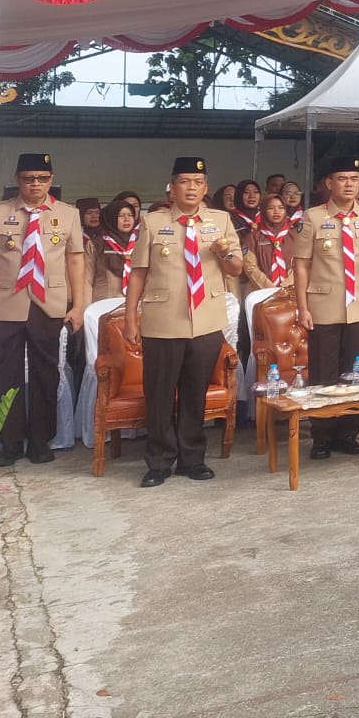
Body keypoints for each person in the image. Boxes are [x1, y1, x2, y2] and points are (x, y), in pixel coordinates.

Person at [124, 156, 243, 487]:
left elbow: (236, 268)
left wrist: (223, 252)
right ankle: (159, 461)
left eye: (198, 183)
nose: (192, 188)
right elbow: (138, 273)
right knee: (160, 393)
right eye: (185, 182)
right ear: (172, 188)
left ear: (206, 188)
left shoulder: (221, 220)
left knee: (195, 392)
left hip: (206, 319)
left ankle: (192, 459)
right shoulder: (152, 222)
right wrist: (131, 318)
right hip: (163, 320)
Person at [0, 153, 86, 467]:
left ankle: (40, 441)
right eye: (28, 178)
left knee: (46, 373)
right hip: (4, 301)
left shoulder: (68, 214)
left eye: (42, 178)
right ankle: (10, 442)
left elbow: (75, 260)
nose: (35, 184)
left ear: (51, 180)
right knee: (4, 374)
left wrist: (79, 305)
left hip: (47, 302)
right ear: (17, 180)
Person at [292, 156, 359, 458]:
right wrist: (302, 307)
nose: (349, 184)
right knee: (324, 372)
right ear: (329, 183)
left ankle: (347, 433)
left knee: (354, 371)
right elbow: (301, 265)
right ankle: (322, 436)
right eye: (343, 178)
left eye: (354, 179)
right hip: (324, 303)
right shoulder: (312, 218)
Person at [243, 193, 296, 289]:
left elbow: (301, 263)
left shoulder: (295, 235)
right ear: (263, 211)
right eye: (271, 208)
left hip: (291, 291)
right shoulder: (252, 237)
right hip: (261, 292)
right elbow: (250, 267)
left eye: (281, 208)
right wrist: (271, 289)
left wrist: (286, 286)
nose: (276, 211)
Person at [93, 198, 141, 301]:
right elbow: (86, 280)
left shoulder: (142, 241)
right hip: (103, 303)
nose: (126, 219)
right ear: (111, 218)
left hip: (137, 303)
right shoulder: (96, 244)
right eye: (121, 216)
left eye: (130, 215)